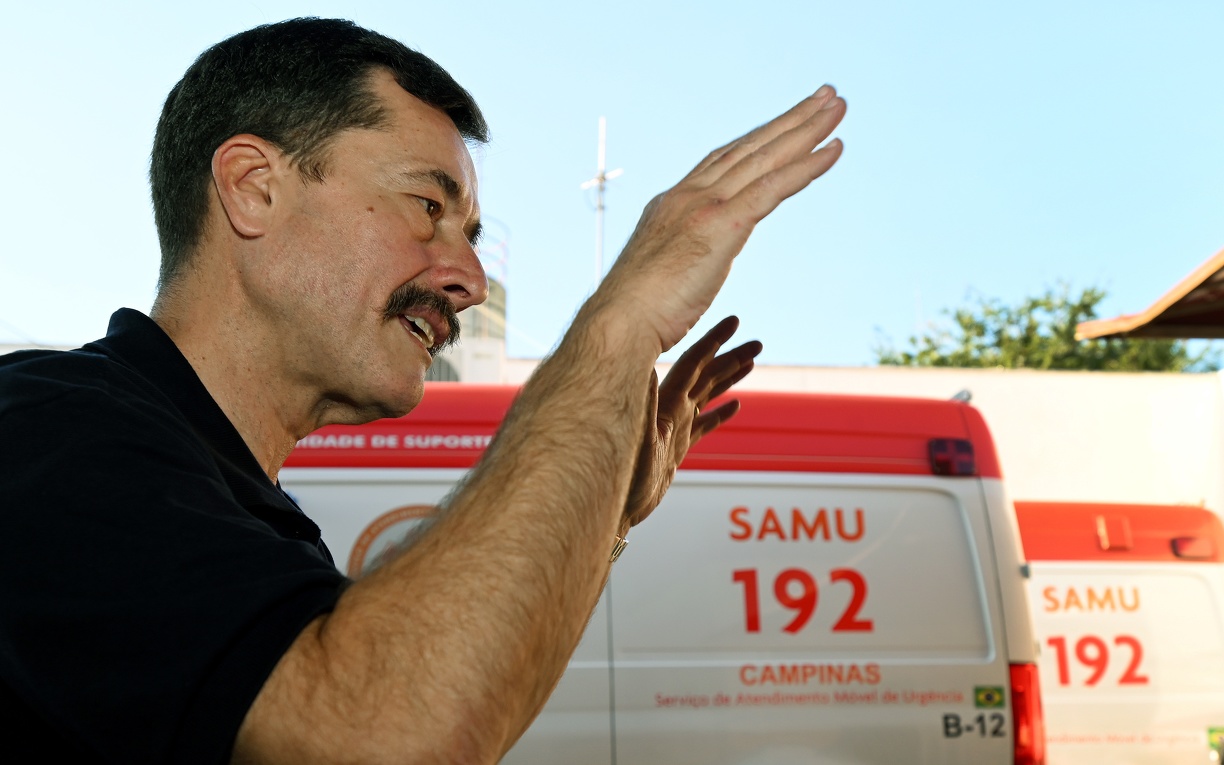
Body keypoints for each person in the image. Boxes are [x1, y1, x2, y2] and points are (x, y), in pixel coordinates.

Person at [0, 17, 844, 765]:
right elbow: (382, 736)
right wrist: (615, 328)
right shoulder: (47, 428)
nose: (469, 278)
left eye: (470, 235)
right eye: (427, 205)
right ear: (254, 187)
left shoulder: (229, 504)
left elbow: (441, 699)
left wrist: (606, 516)